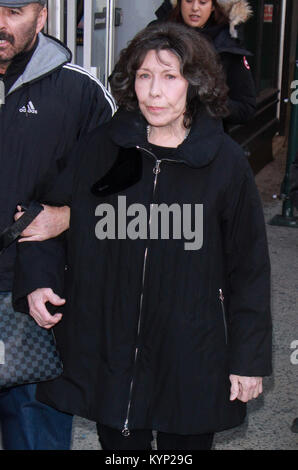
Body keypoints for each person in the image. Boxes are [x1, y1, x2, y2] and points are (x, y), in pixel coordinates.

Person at [13, 22, 272, 451]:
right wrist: (39, 281)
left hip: (190, 350)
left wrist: (248, 360)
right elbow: (46, 214)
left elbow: (249, 268)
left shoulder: (223, 162)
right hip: (112, 348)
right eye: (144, 76)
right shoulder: (103, 147)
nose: (155, 92)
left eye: (170, 77)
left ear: (195, 83)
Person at [0, 0, 116, 450]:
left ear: (42, 15)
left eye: (13, 10)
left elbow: (126, 188)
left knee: (36, 437)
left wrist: (70, 217)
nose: (1, 23)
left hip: (34, 299)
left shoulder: (80, 91)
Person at [153, 0, 256, 128]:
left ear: (213, 6)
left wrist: (211, 99)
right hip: (155, 135)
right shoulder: (156, 35)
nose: (195, 8)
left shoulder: (227, 45)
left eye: (202, 2)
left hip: (206, 140)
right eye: (189, 1)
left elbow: (246, 109)